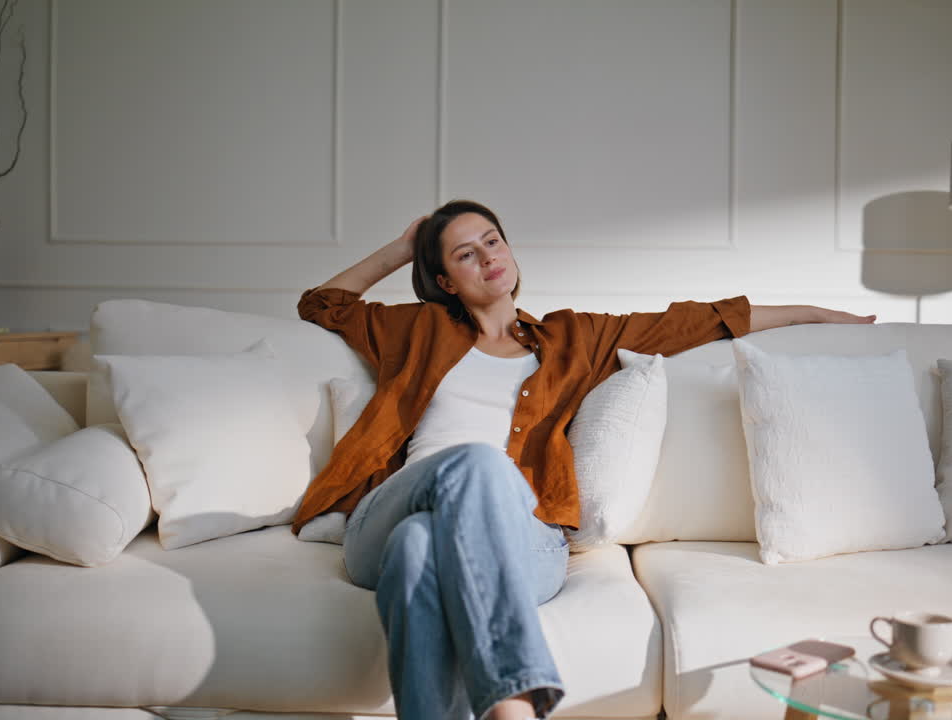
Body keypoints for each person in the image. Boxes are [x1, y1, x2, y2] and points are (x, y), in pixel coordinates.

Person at [292, 199, 875, 720]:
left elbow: (697, 322)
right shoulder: (413, 329)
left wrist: (818, 315)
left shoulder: (573, 340)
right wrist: (404, 246)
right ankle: (514, 703)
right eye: (465, 254)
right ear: (444, 279)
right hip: (387, 514)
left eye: (493, 240)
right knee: (476, 463)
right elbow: (322, 304)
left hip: (523, 541)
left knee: (419, 547)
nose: (488, 257)